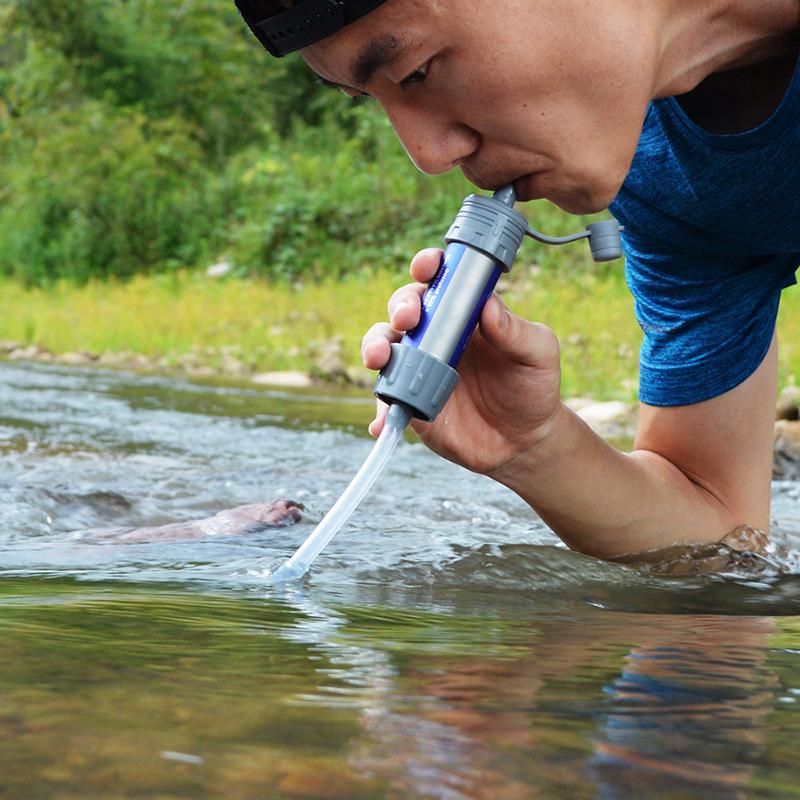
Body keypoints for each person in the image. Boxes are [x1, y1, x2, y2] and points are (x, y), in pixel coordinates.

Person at [235, 0, 800, 559]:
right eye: (369, 100)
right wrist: (534, 447)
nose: (427, 155)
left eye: (417, 72)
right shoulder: (666, 183)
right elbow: (725, 537)